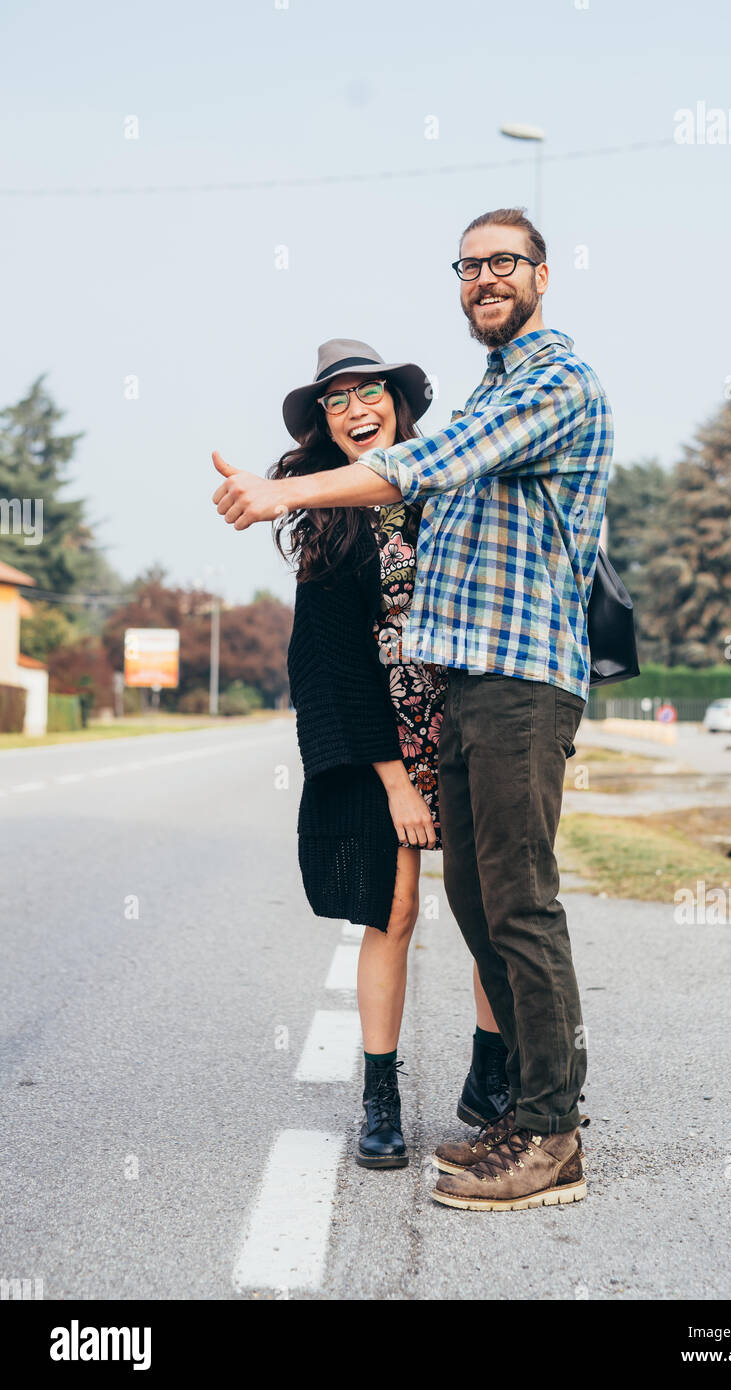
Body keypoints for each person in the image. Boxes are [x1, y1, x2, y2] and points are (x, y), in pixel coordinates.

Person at [211, 207, 613, 1212]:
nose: (483, 278)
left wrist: (280, 493)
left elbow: (425, 466)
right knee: (476, 906)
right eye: (468, 265)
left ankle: (547, 1130)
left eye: (503, 263)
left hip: (520, 678)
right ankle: (511, 1110)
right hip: (464, 694)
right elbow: (340, 643)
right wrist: (304, 502)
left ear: (542, 276)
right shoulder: (490, 390)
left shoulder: (551, 379)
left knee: (514, 903)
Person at [268, 338, 508, 1170]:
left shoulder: (454, 487)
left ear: (399, 405)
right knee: (393, 912)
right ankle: (380, 1099)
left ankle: (490, 1081)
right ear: (325, 427)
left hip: (476, 728)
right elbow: (328, 668)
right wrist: (397, 781)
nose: (356, 409)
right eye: (336, 402)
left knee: (492, 917)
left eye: (369, 392)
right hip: (387, 745)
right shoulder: (330, 525)